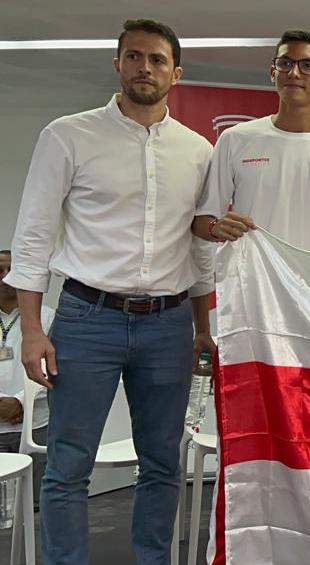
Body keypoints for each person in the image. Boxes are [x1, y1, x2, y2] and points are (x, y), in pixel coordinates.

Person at [3, 19, 215, 564]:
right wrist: (31, 330)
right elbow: (32, 235)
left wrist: (201, 328)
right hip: (86, 318)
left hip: (168, 325)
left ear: (177, 72)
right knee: (70, 466)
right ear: (118, 64)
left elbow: (199, 250)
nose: (146, 68)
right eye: (135, 57)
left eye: (158, 59)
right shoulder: (69, 135)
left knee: (163, 464)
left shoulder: (197, 151)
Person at [193, 29, 310, 248]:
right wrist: (215, 227)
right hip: (250, 280)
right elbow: (202, 220)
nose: (294, 73)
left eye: (307, 66)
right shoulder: (235, 139)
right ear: (272, 72)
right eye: (285, 63)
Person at [0, 250, 53, 513]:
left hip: (36, 423)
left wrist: (20, 401)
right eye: (0, 270)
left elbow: (54, 368)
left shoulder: (47, 317)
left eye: (12, 269)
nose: (6, 276)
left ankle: (34, 556)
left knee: (38, 507)